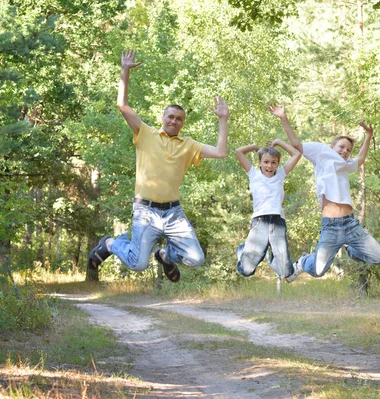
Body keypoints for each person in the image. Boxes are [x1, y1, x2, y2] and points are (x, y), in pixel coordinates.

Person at [87, 50, 229, 282]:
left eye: (179, 118)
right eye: (170, 116)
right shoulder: (146, 134)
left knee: (196, 258)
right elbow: (122, 105)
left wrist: (223, 119)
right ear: (163, 118)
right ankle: (113, 243)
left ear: (183, 123)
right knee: (138, 264)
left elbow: (221, 152)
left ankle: (164, 255)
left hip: (173, 213)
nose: (174, 121)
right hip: (146, 211)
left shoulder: (189, 145)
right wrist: (125, 71)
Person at [270, 103, 380, 282]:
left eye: (348, 149)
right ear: (332, 147)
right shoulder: (321, 153)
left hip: (351, 225)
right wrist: (283, 118)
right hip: (331, 226)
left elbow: (361, 159)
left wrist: (369, 135)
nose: (345, 151)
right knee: (318, 270)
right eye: (341, 147)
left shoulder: (346, 165)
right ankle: (302, 262)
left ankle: (350, 248)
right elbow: (296, 144)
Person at [234, 136, 301, 279]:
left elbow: (296, 154)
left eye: (273, 163)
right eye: (266, 162)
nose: (269, 166)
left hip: (278, 222)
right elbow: (239, 152)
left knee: (285, 273)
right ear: (259, 163)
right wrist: (254, 146)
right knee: (246, 271)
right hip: (260, 222)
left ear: (277, 164)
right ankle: (242, 251)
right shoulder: (253, 174)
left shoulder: (281, 175)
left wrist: (279, 143)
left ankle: (269, 255)